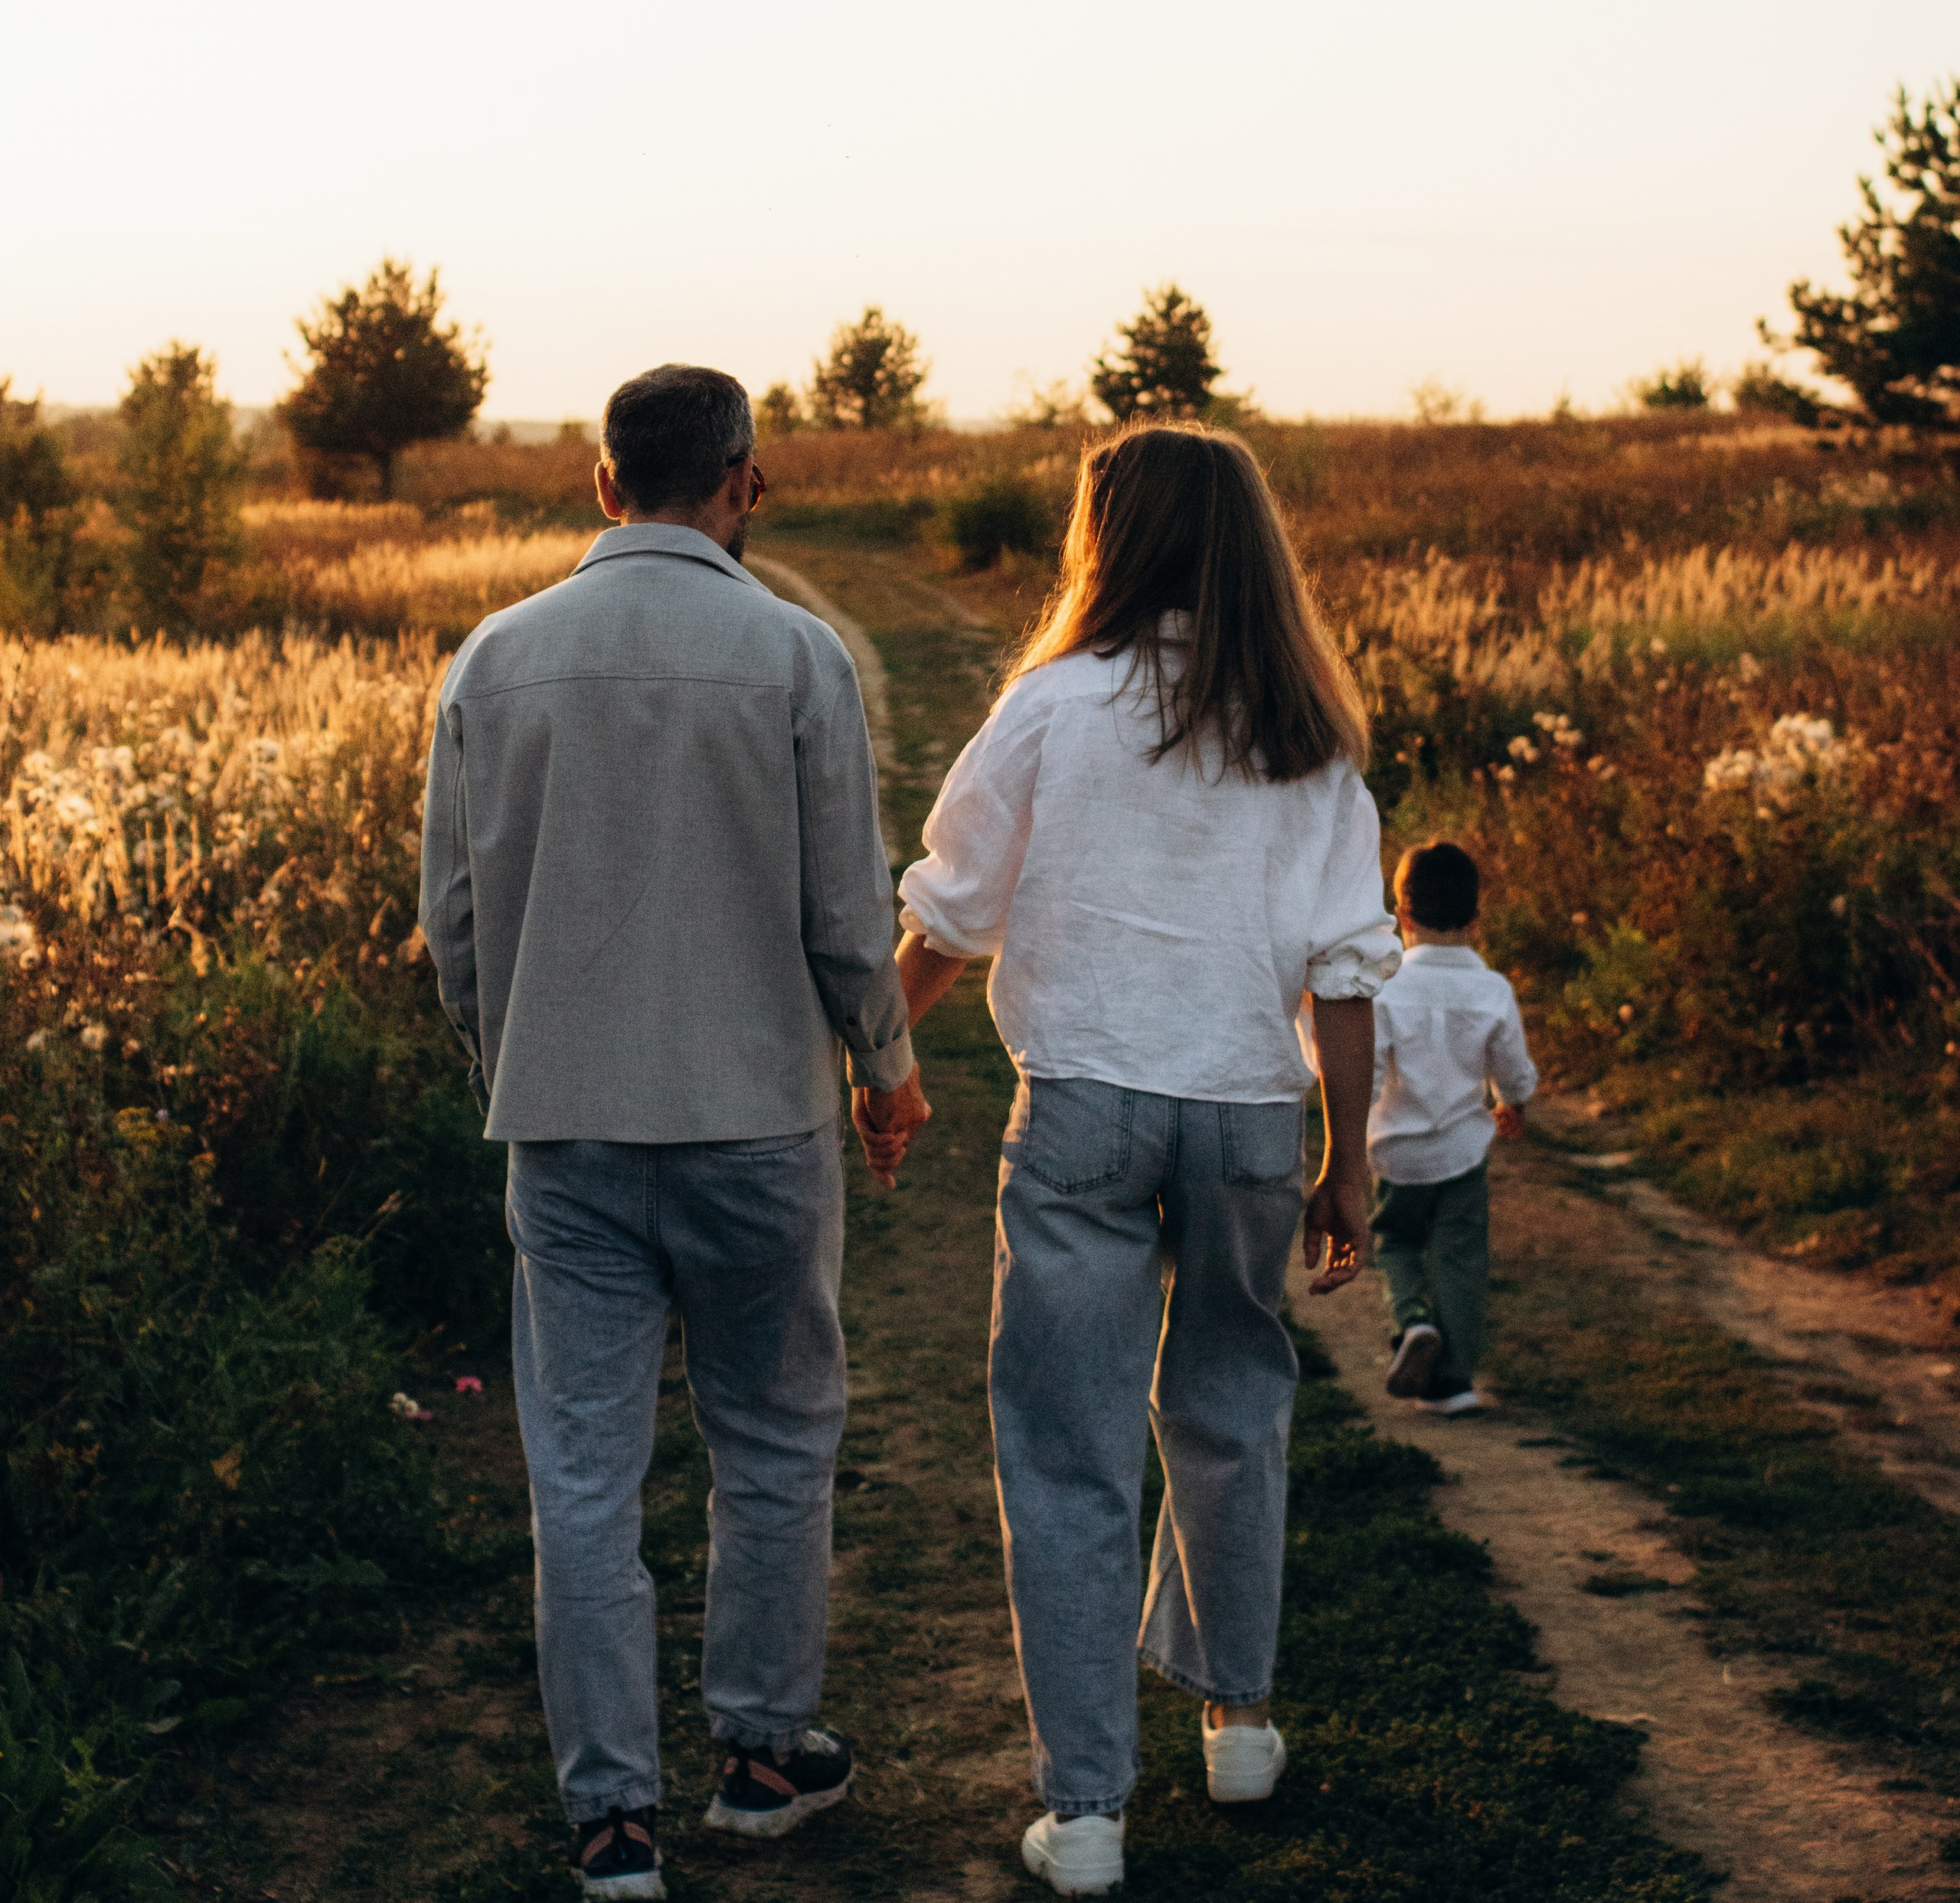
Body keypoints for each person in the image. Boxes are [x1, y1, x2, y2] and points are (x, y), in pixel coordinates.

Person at [419, 364, 931, 1901]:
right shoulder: (795, 655)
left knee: (580, 1474)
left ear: (601, 483)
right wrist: (884, 1063)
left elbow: (455, 922)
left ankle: (612, 1824)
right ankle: (764, 1757)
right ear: (743, 482)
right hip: (754, 1120)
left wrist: (511, 1062)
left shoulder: (495, 658)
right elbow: (846, 912)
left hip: (564, 1126)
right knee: (771, 1438)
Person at [893, 424, 1400, 1898]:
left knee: (1069, 1452)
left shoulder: (1054, 706)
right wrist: (1347, 1160)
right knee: (1233, 1415)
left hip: (1085, 1112)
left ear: (1106, 540)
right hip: (1246, 1117)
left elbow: (950, 913)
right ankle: (1239, 1724)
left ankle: (1088, 1814)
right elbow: (1348, 974)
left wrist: (875, 1056)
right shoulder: (1307, 733)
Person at [1367, 839, 1538, 1418]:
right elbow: (1513, 1069)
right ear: (1476, 920)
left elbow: (1369, 1070)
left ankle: (1413, 1319)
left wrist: (1352, 1121)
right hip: (1463, 1151)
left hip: (1398, 1152)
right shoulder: (1492, 989)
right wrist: (1513, 1102)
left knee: (1396, 1241)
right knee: (1460, 1258)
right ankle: (1454, 1382)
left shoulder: (1387, 987)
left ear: (1403, 917)